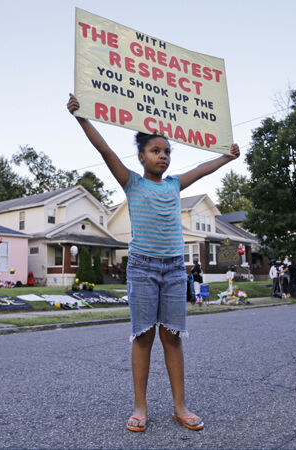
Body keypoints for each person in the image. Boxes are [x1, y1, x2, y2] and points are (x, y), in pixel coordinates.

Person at [68, 94, 240, 432]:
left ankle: (180, 407)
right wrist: (81, 117)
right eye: (155, 151)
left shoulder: (174, 184)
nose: (163, 156)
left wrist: (226, 157)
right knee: (143, 336)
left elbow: (201, 170)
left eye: (167, 152)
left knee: (172, 337)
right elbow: (105, 151)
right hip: (143, 268)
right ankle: (140, 407)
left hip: (175, 269)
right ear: (141, 156)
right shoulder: (132, 182)